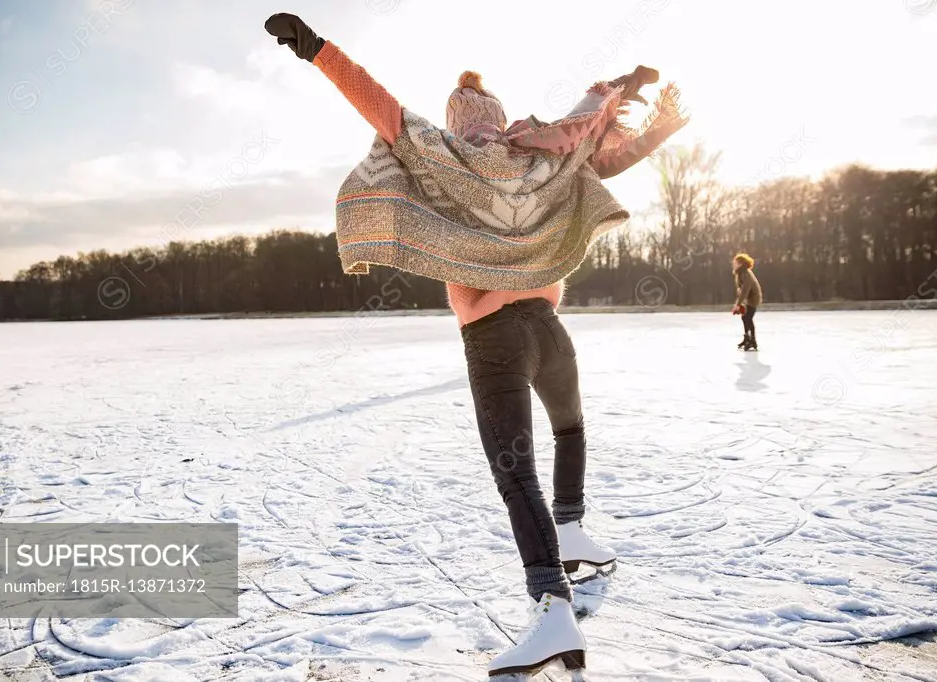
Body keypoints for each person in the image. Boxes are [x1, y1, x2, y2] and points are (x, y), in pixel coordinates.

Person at [264, 12, 688, 676]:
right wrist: (646, 113)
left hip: (494, 341)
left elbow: (374, 99)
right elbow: (596, 136)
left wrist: (317, 49)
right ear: (495, 113)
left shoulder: (445, 154)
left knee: (516, 475)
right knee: (571, 431)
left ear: (460, 120)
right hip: (550, 332)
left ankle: (553, 610)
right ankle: (572, 525)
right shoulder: (536, 152)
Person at [732, 253, 763, 350]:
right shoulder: (740, 272)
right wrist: (739, 301)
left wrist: (738, 304)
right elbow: (741, 289)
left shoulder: (745, 273)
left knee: (748, 318)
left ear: (741, 263)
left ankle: (752, 340)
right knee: (745, 318)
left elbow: (745, 289)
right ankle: (747, 338)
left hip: (753, 298)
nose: (733, 264)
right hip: (747, 299)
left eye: (735, 262)